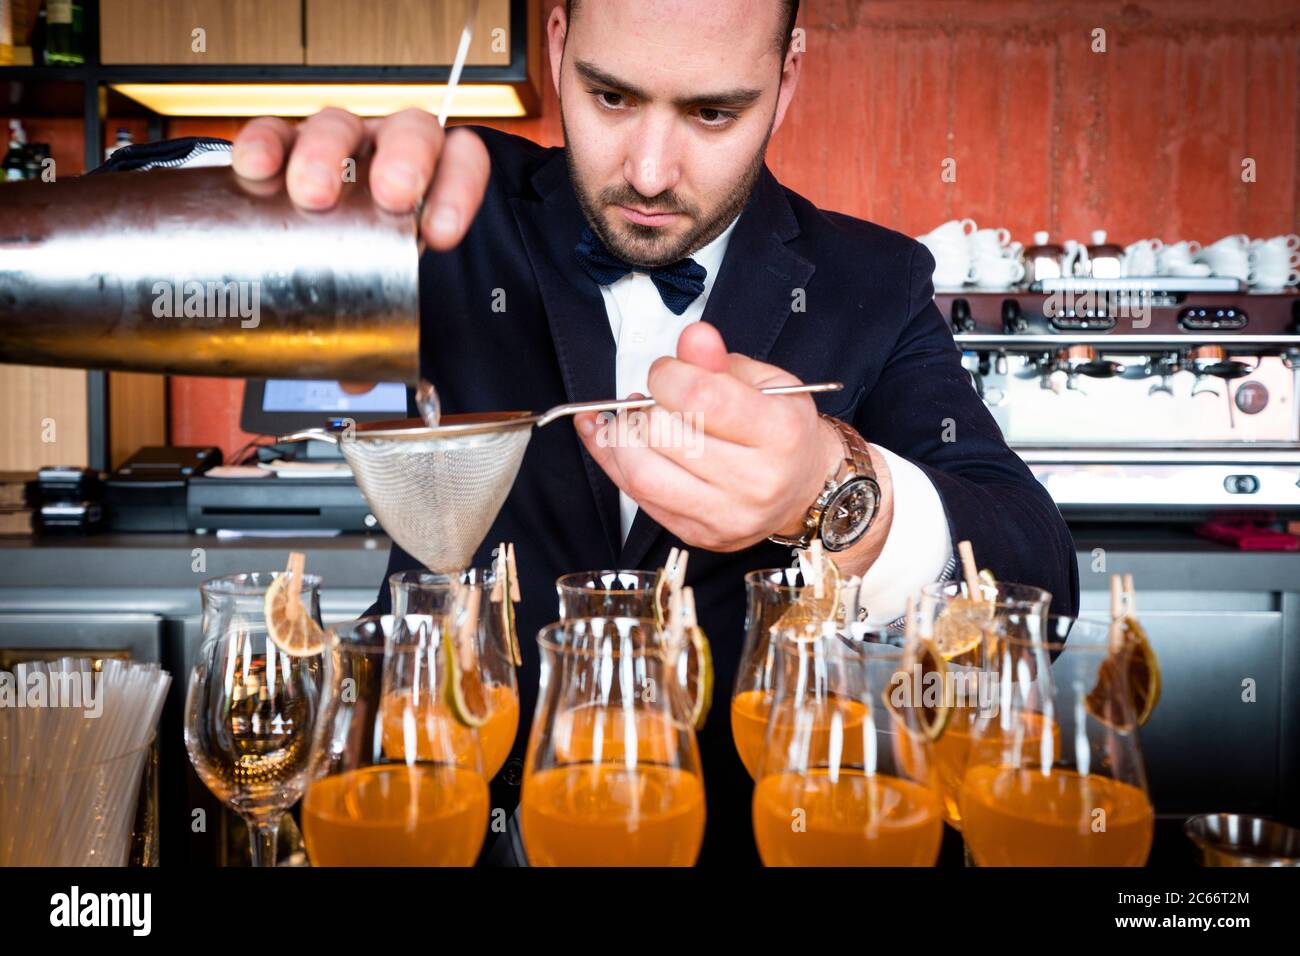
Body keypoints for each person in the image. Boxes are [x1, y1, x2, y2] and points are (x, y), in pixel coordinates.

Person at [120, 0, 1078, 865]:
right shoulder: (438, 212)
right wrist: (275, 202)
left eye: (712, 113)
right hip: (434, 822)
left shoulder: (874, 280)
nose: (651, 174)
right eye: (611, 97)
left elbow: (1043, 589)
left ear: (785, 81)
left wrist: (832, 489)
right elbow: (115, 232)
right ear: (559, 45)